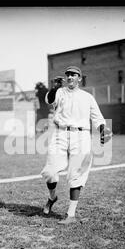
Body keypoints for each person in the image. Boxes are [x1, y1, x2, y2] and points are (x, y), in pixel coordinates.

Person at [41, 65, 112, 225]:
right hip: (60, 133)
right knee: (50, 171)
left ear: (80, 78)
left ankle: (71, 215)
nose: (70, 77)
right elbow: (49, 101)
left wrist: (102, 130)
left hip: (81, 135)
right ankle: (52, 197)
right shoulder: (60, 92)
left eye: (74, 75)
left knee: (76, 174)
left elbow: (98, 118)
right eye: (68, 75)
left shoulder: (87, 97)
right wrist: (54, 87)